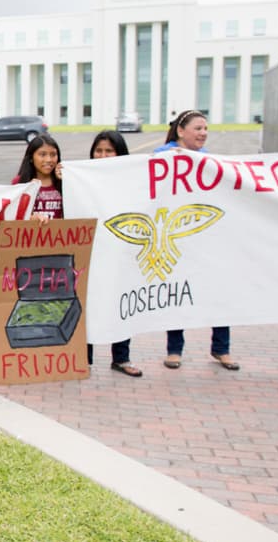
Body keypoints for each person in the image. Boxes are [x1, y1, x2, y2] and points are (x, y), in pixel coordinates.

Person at [153, 110, 239, 371]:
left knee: (219, 292)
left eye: (205, 129)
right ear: (181, 131)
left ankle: (221, 349)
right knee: (177, 293)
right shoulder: (162, 156)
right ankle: (174, 349)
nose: (203, 133)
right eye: (198, 128)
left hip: (206, 237)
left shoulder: (210, 161)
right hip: (178, 237)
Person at [85, 131, 142, 377]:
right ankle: (83, 359)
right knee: (87, 304)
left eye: (109, 151)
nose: (103, 155)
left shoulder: (131, 180)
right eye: (99, 150)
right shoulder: (81, 177)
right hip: (90, 252)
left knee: (121, 303)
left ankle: (121, 357)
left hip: (120, 252)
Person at [11, 134, 63, 220]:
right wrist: (31, 218)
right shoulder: (19, 182)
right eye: (42, 155)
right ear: (31, 158)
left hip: (60, 232)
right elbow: (12, 215)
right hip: (30, 233)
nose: (49, 160)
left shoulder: (65, 181)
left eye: (53, 155)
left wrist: (66, 182)